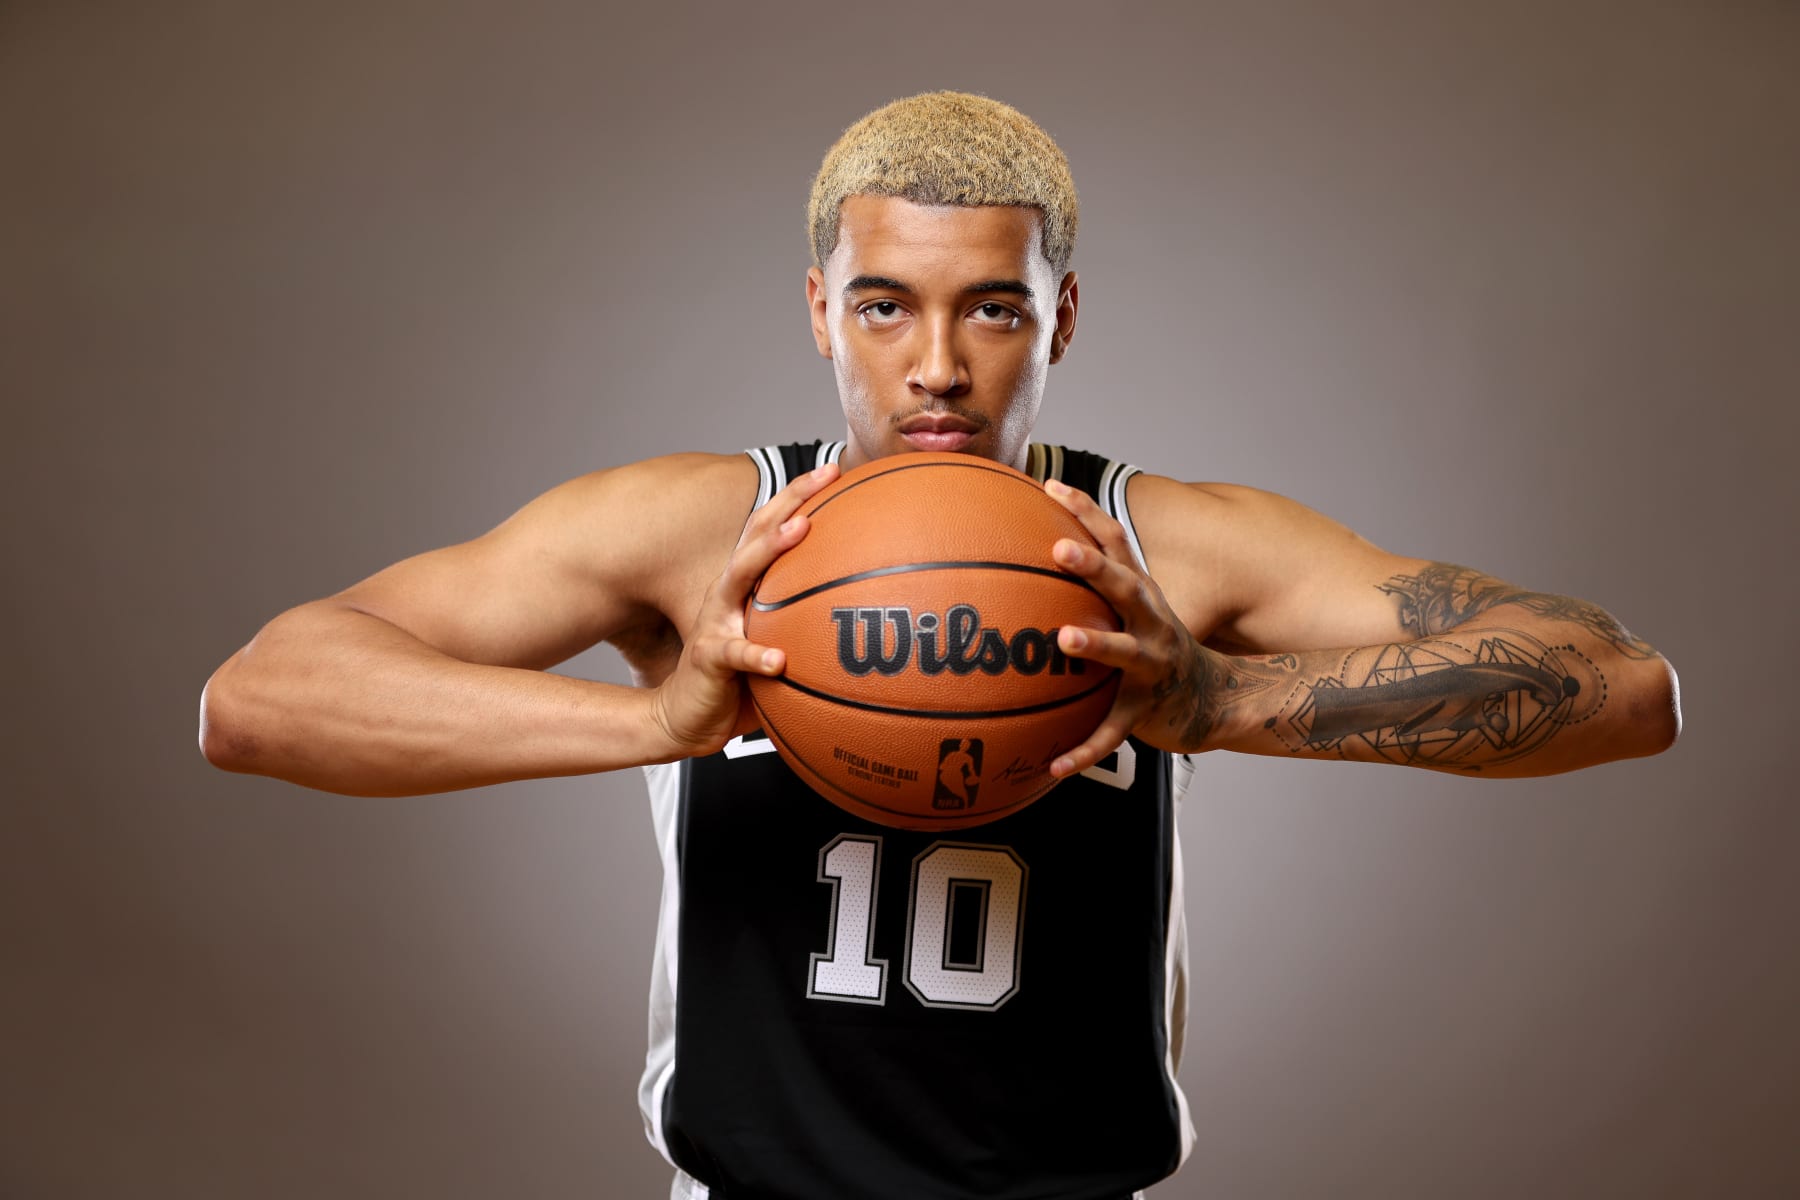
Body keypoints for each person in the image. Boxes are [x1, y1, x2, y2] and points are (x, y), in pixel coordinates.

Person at [200, 91, 1680, 1200]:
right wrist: (656, 723)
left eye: (993, 309)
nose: (937, 365)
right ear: (818, 313)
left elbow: (1621, 688)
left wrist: (1229, 697)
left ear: (1063, 318)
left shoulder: (1170, 548)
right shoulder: (692, 533)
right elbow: (261, 699)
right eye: (884, 305)